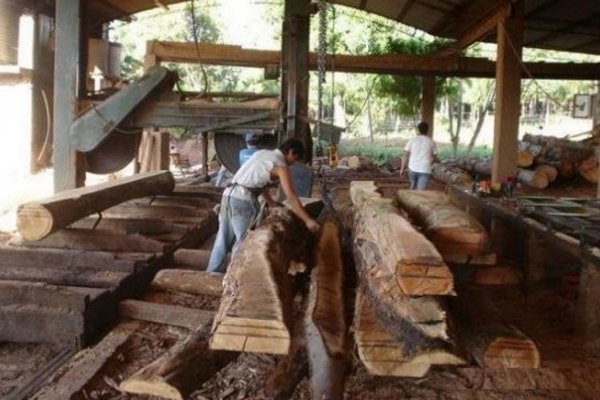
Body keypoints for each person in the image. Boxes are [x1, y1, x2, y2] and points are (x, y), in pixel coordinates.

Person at [207, 138, 320, 272]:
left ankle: (211, 273)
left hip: (228, 195)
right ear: (290, 152)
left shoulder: (262, 154)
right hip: (243, 200)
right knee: (244, 243)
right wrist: (307, 220)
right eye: (295, 158)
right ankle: (237, 280)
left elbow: (262, 182)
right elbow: (291, 196)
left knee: (222, 240)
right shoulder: (281, 166)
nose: (293, 163)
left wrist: (271, 202)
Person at [400, 122, 438, 190]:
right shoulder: (431, 141)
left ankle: (410, 198)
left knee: (413, 187)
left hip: (412, 168)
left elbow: (405, 156)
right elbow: (435, 157)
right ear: (427, 130)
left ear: (418, 130)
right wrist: (430, 163)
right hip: (425, 169)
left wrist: (402, 169)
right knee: (420, 192)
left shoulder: (412, 140)